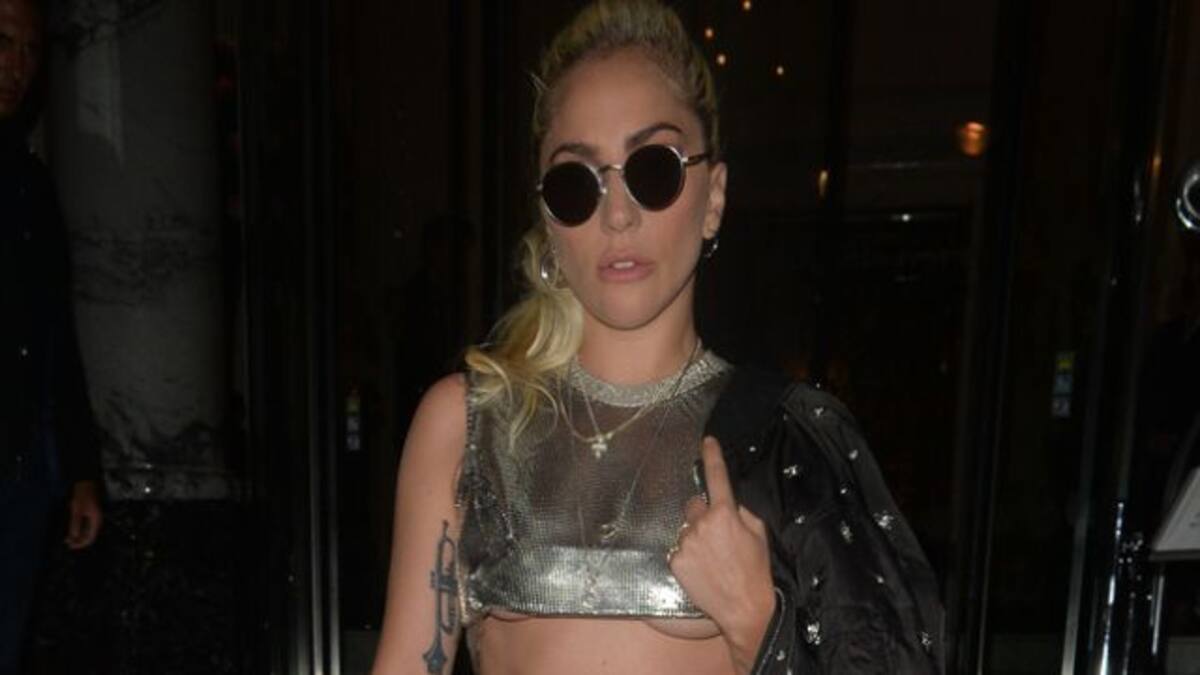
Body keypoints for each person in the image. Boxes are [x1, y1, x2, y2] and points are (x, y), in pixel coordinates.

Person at [372, 1, 942, 673]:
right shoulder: (468, 426)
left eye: (653, 171)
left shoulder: (787, 443)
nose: (617, 214)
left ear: (714, 197)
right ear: (548, 216)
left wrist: (758, 622)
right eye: (576, 183)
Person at [0, 0, 104, 670]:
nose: (17, 65)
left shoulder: (30, 182)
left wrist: (80, 470)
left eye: (30, 50)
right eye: (2, 43)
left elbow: (56, 336)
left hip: (22, 469)